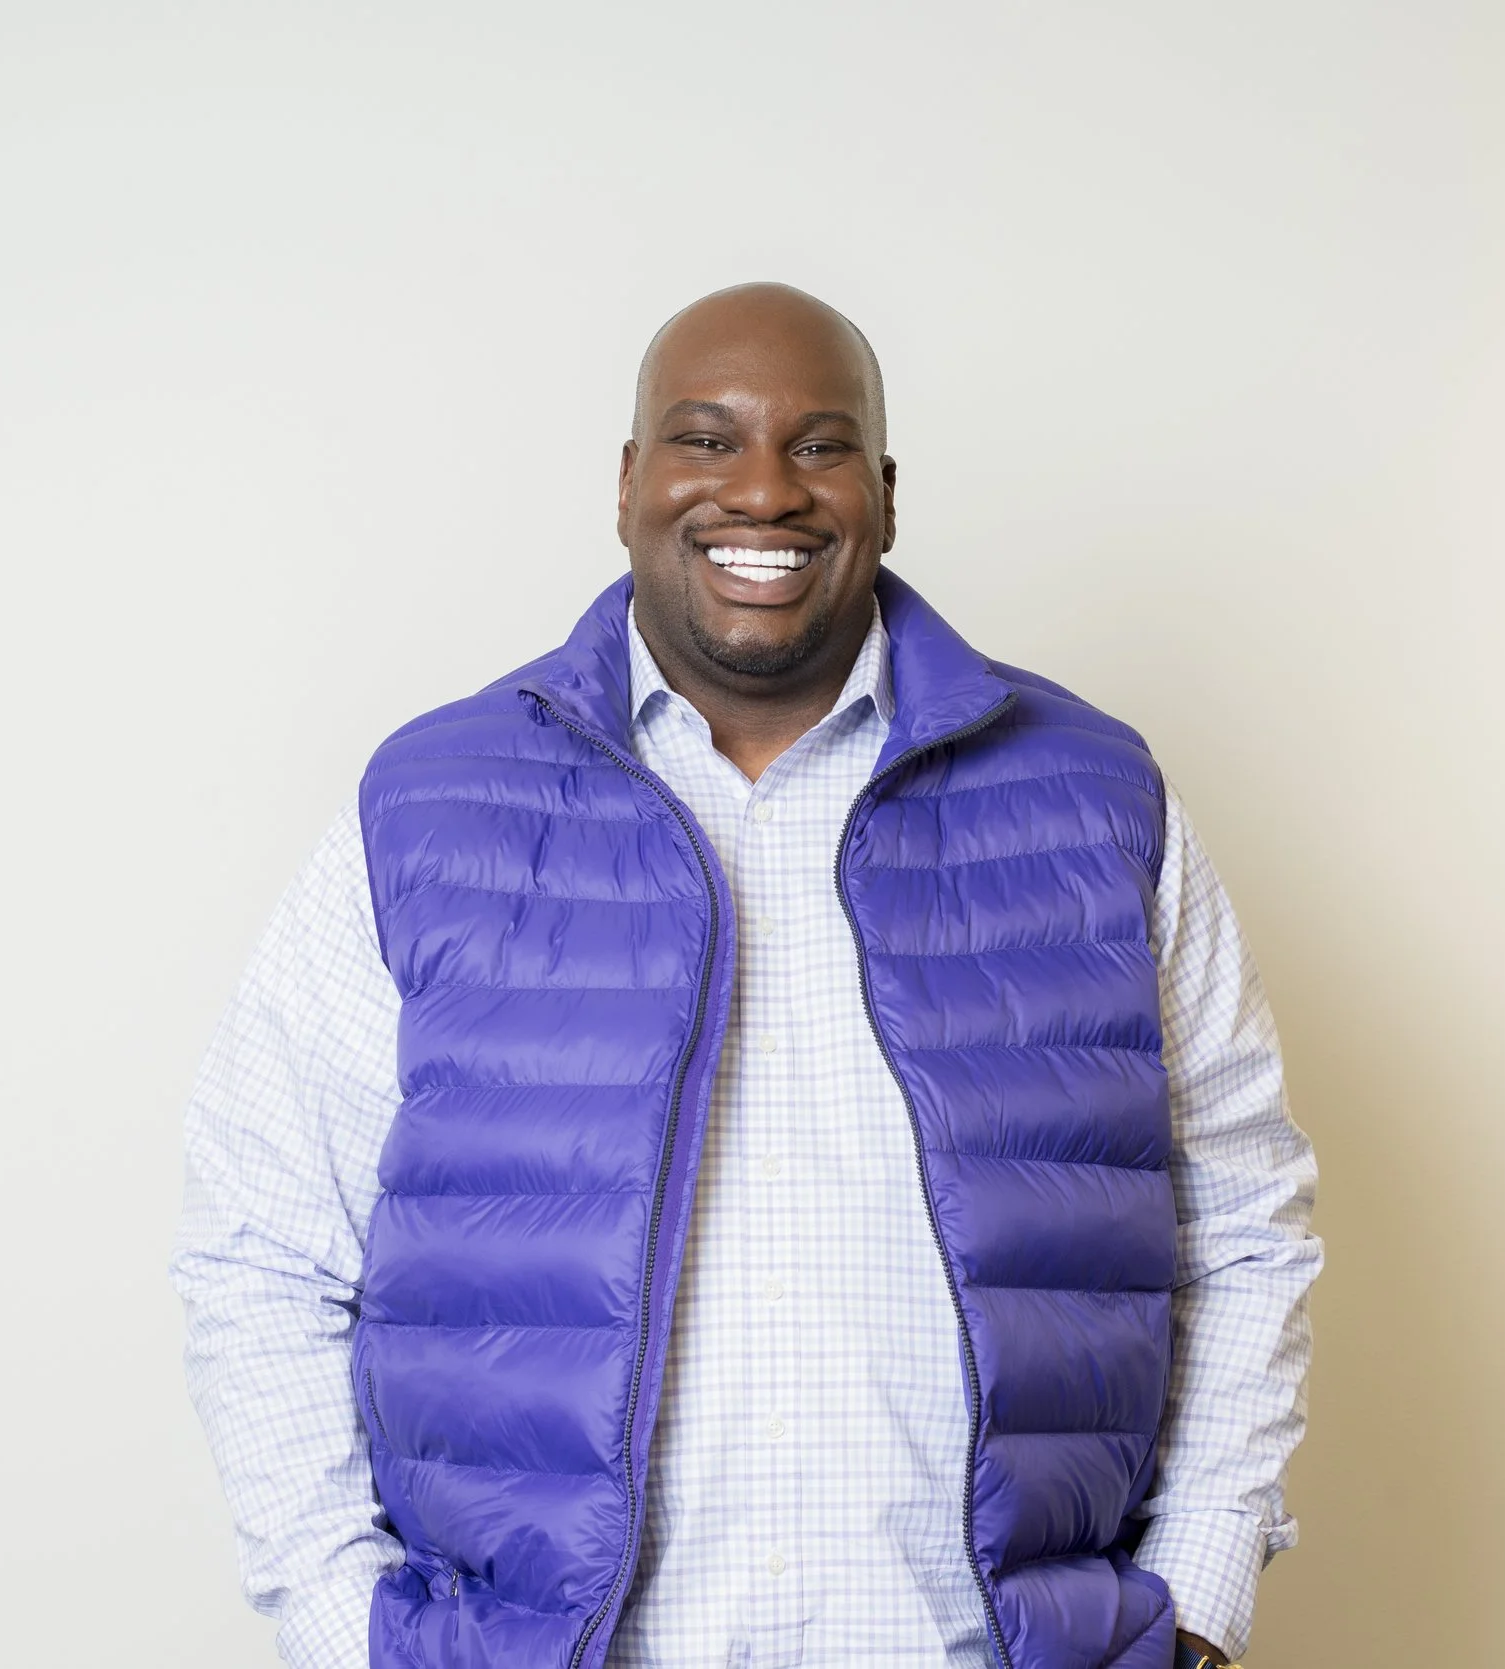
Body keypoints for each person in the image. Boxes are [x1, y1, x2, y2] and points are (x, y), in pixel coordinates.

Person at [172, 283, 1320, 1669]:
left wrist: (1195, 1592)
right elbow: (260, 1243)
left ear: (886, 495)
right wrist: (344, 1624)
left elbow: (1245, 1218)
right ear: (628, 483)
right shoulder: (431, 808)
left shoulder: (1095, 802)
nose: (762, 491)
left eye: (819, 446)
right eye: (706, 440)